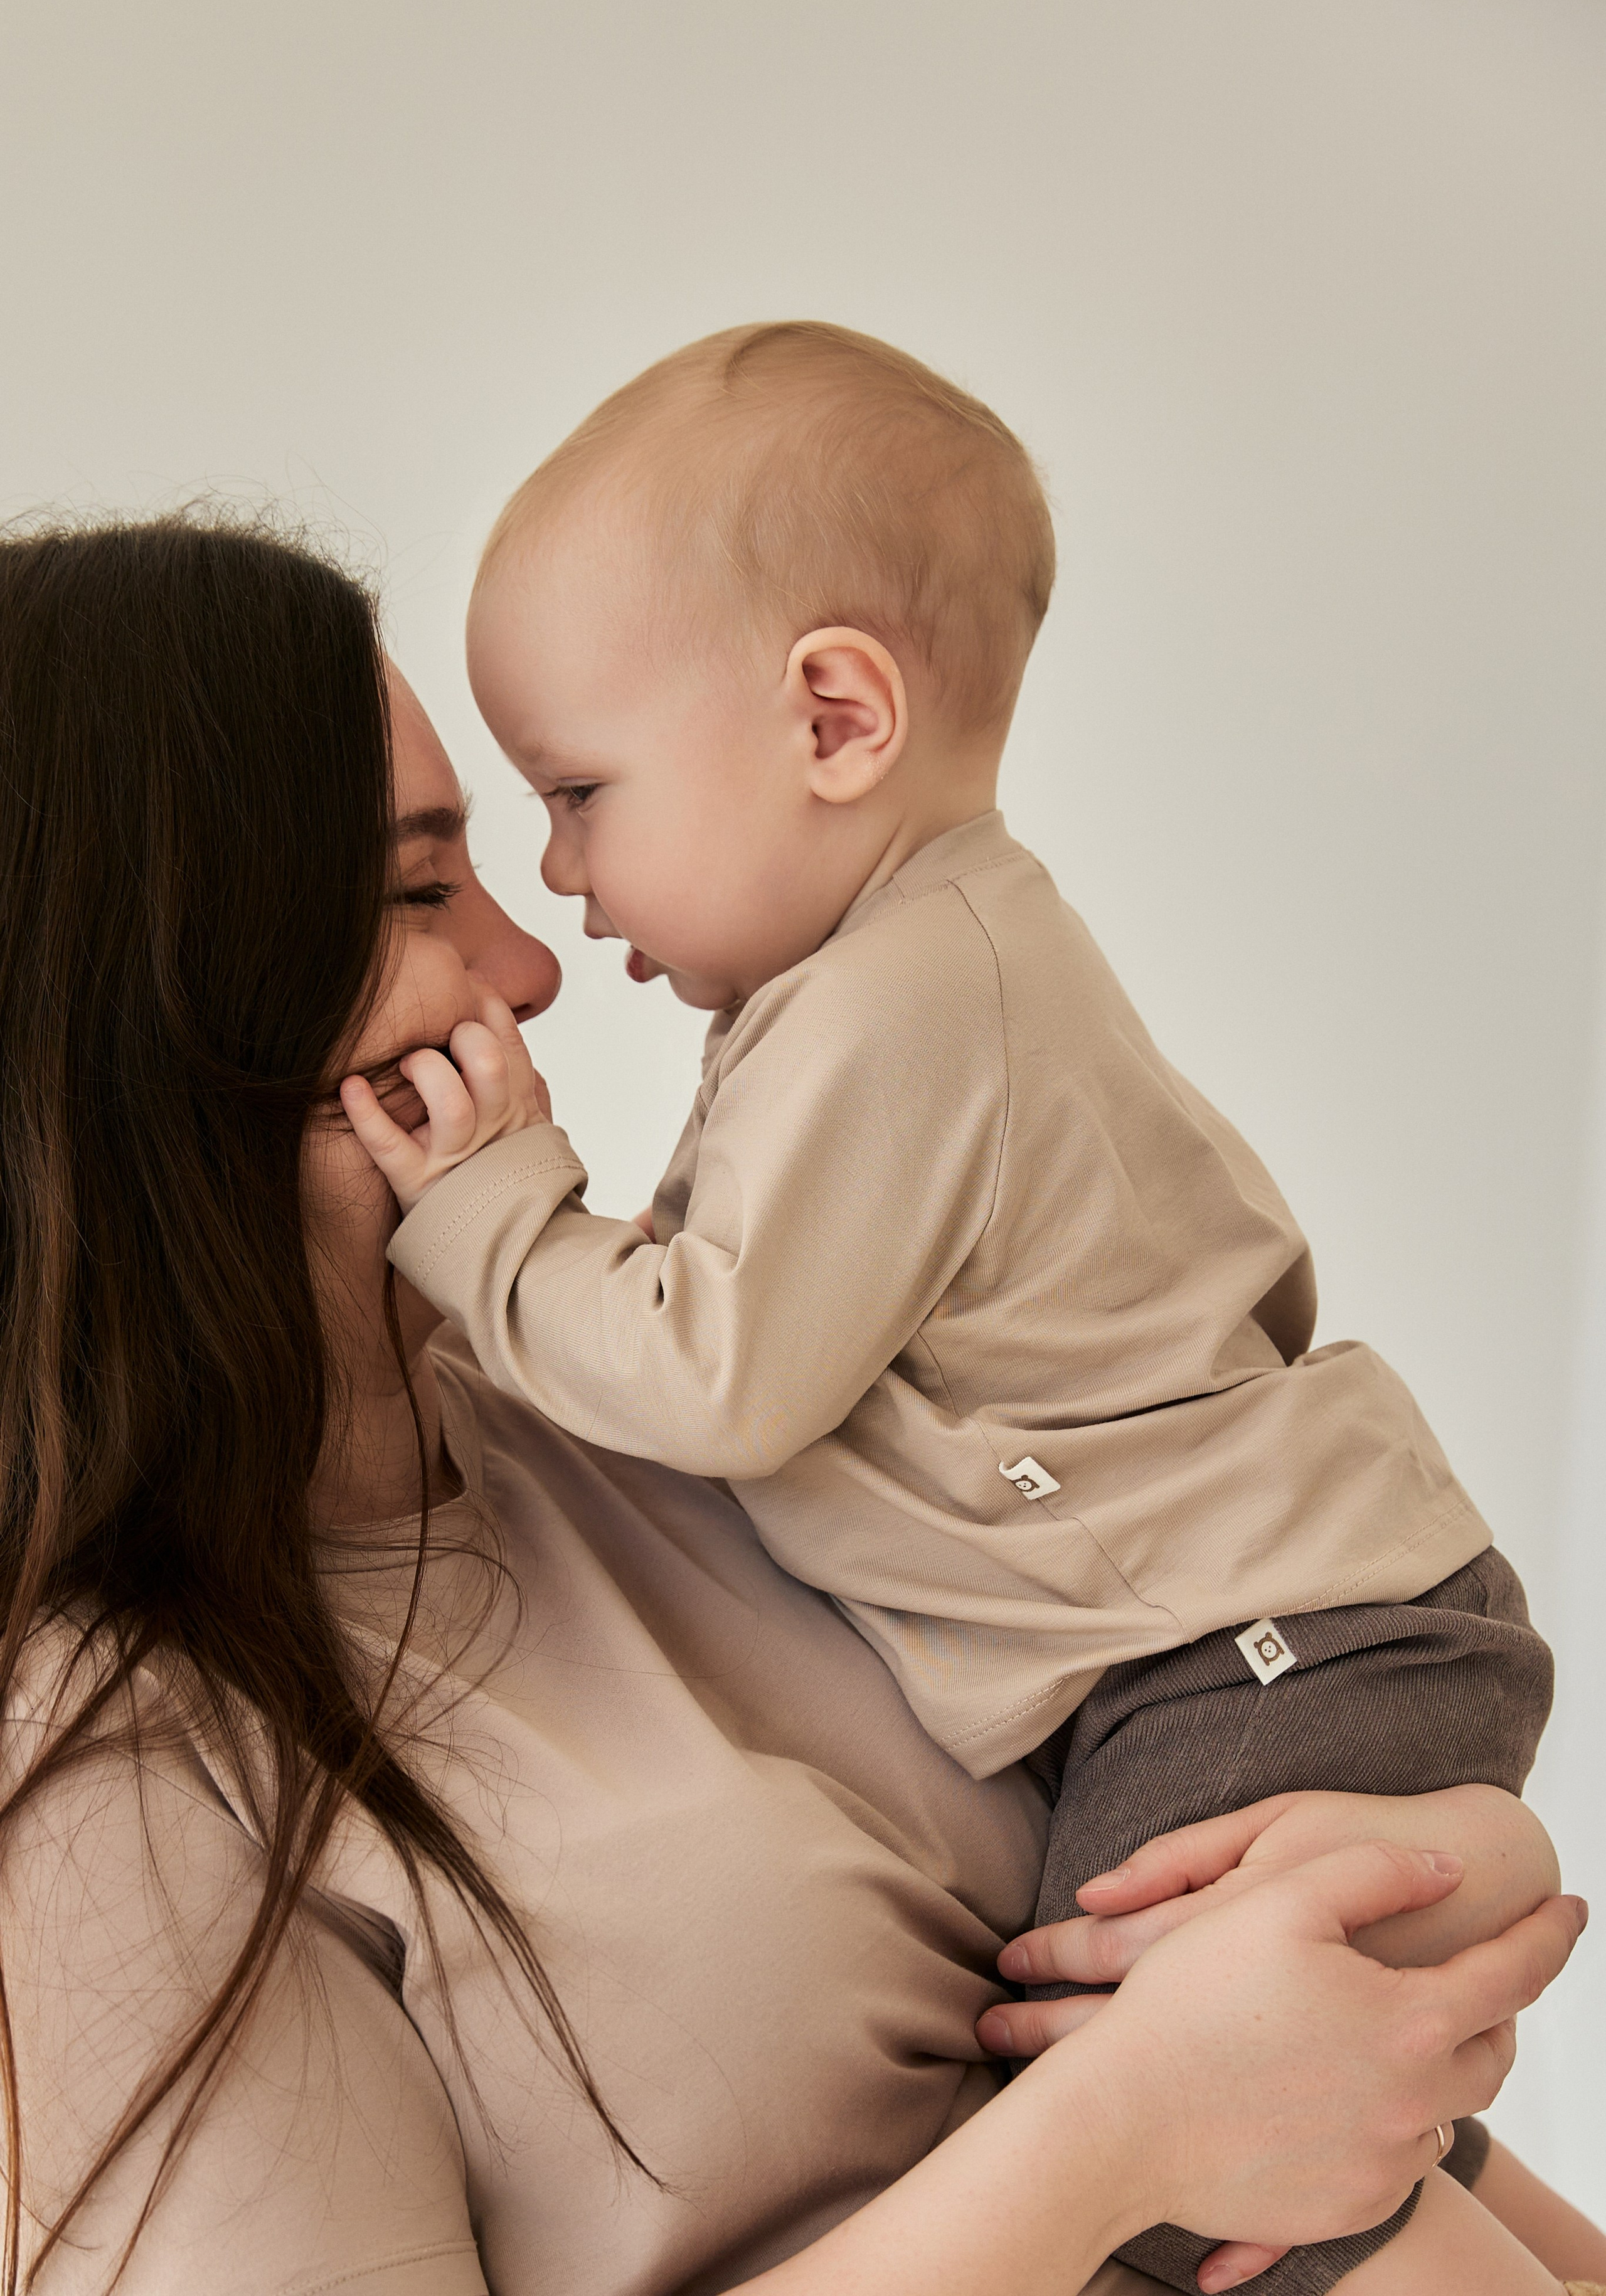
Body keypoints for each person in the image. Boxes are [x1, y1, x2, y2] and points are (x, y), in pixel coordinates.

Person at [0, 515, 1591, 2296]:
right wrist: (1123, 2131)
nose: (534, 967)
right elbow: (1174, 2096)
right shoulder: (111, 1780)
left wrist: (1428, 1868)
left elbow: (1260, 2034)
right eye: (418, 890)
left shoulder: (657, 1411)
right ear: (147, 1017)